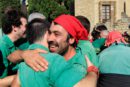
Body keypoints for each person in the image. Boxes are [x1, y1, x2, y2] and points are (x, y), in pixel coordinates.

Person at [12, 14, 98, 87]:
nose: (50, 38)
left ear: (71, 39)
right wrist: (23, 54)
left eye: (57, 34)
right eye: (50, 33)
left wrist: (92, 72)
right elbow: (11, 57)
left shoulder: (78, 65)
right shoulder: (48, 54)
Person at [0, 9, 27, 86]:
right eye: (25, 26)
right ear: (15, 28)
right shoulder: (2, 47)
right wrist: (27, 75)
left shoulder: (13, 45)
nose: (27, 29)